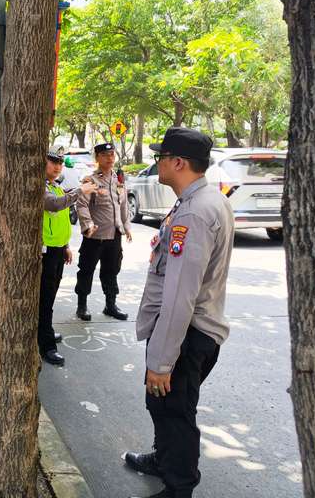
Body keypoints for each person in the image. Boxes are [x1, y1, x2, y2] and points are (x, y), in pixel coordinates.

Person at [124, 127, 233, 498]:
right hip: (187, 331)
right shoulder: (198, 200)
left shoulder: (196, 213)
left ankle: (179, 485)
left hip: (186, 333)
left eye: (161, 156)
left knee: (175, 410)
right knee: (162, 404)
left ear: (178, 162)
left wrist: (161, 360)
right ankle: (164, 459)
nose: (157, 162)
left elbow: (179, 296)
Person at [39, 147, 98, 366]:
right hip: (44, 253)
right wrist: (80, 191)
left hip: (56, 250)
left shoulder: (55, 186)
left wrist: (64, 245)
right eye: (52, 162)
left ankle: (45, 331)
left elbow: (60, 213)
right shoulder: (39, 186)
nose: (57, 166)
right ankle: (46, 345)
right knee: (44, 300)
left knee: (50, 296)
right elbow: (53, 204)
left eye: (60, 163)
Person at [74, 142, 132, 321]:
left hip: (114, 235)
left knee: (112, 270)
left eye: (112, 155)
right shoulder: (91, 181)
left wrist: (126, 226)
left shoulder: (118, 179)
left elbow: (123, 206)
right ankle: (82, 306)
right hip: (95, 236)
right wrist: (88, 224)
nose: (110, 158)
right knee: (86, 270)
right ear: (97, 158)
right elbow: (82, 204)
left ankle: (110, 304)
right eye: (106, 155)